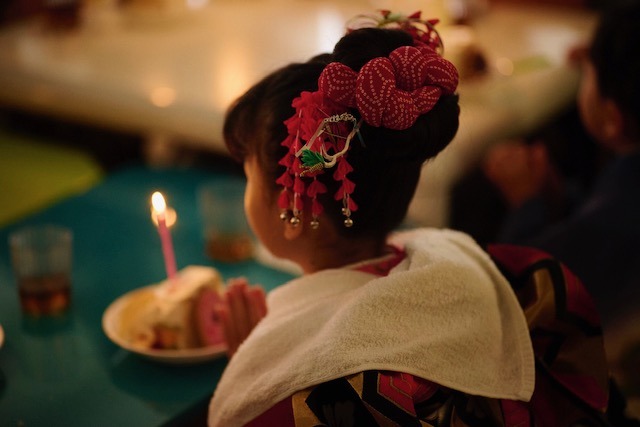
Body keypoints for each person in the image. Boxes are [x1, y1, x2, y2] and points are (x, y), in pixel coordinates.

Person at [207, 11, 610, 426]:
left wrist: (262, 367)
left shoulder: (310, 400)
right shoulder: (477, 266)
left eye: (249, 174)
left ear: (293, 209)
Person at [482, 2, 640, 412]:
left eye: (589, 70)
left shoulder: (615, 222)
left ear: (612, 118)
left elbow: (522, 294)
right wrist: (561, 201)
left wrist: (526, 203)